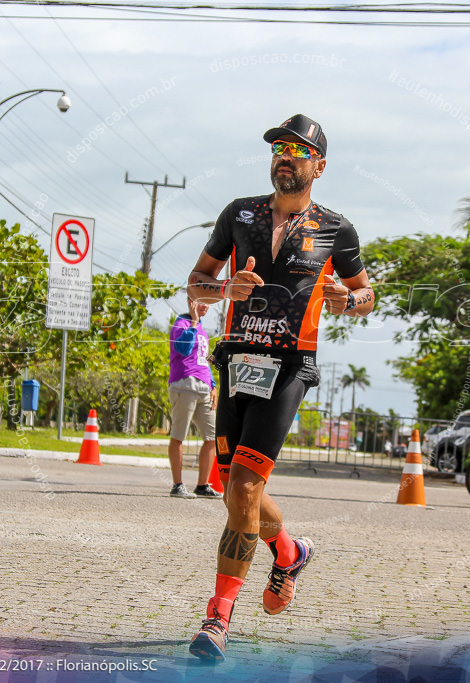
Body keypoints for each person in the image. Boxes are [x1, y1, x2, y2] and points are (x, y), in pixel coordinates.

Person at [184, 114, 375, 662]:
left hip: (291, 365)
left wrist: (348, 301)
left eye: (297, 149)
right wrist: (224, 288)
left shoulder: (337, 230)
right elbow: (196, 283)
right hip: (237, 360)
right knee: (232, 487)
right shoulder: (238, 215)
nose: (284, 156)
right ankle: (288, 552)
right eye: (278, 148)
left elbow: (367, 294)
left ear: (318, 165)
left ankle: (217, 619)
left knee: (242, 489)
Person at [167, 298, 221, 499]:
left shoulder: (203, 330)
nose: (206, 306)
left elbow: (203, 361)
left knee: (211, 437)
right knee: (178, 435)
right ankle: (178, 485)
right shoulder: (181, 324)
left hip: (203, 387)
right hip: (184, 384)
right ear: (191, 302)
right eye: (202, 302)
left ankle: (202, 485)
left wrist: (213, 385)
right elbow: (182, 348)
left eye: (209, 303)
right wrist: (194, 322)